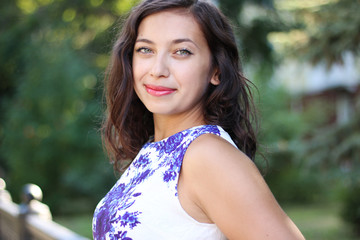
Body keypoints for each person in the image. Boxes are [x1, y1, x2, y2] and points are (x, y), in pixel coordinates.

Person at [93, 0, 305, 239]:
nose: (157, 69)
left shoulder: (208, 154)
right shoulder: (158, 150)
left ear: (216, 70)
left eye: (181, 52)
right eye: (145, 50)